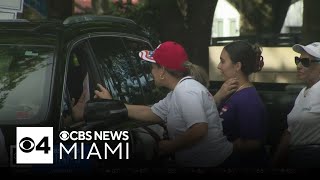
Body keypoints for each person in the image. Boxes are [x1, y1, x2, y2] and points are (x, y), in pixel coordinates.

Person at [94, 41, 233, 167]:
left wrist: (170, 146)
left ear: (163, 71)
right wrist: (112, 103)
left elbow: (199, 129)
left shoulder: (186, 91)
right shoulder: (178, 92)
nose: (151, 71)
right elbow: (151, 113)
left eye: (153, 67)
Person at [214, 40, 268, 168]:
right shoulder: (230, 93)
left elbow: (253, 142)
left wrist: (222, 148)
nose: (218, 66)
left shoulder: (248, 99)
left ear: (237, 66)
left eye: (223, 61)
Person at [272, 42, 320, 168]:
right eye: (297, 60)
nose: (299, 65)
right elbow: (290, 131)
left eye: (305, 62)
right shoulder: (303, 92)